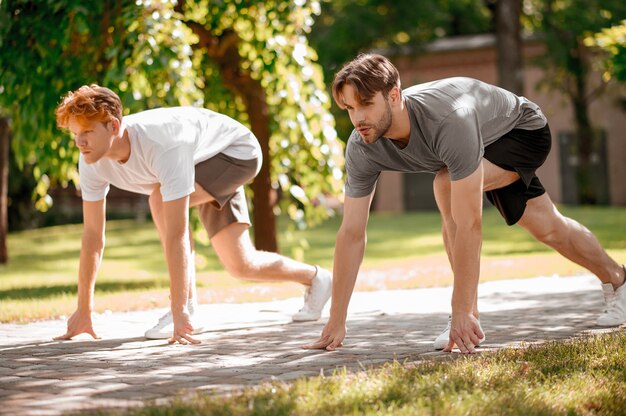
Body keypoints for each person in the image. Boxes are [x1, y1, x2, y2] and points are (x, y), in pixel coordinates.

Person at [304, 53, 626, 354]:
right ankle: (619, 279)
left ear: (394, 95)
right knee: (549, 226)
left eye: (366, 104)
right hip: (480, 139)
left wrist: (459, 310)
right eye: (349, 108)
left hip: (522, 130)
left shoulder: (447, 119)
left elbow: (470, 222)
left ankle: (466, 317)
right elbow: (351, 233)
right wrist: (336, 319)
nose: (357, 118)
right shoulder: (362, 146)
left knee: (444, 184)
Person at [54, 84, 332, 344]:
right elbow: (92, 237)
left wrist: (179, 312)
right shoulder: (91, 160)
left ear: (113, 126)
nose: (80, 142)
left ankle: (186, 308)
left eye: (87, 132)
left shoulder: (160, 143)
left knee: (160, 200)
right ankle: (316, 278)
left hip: (235, 154)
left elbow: (176, 234)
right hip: (197, 160)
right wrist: (84, 310)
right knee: (240, 264)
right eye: (75, 133)